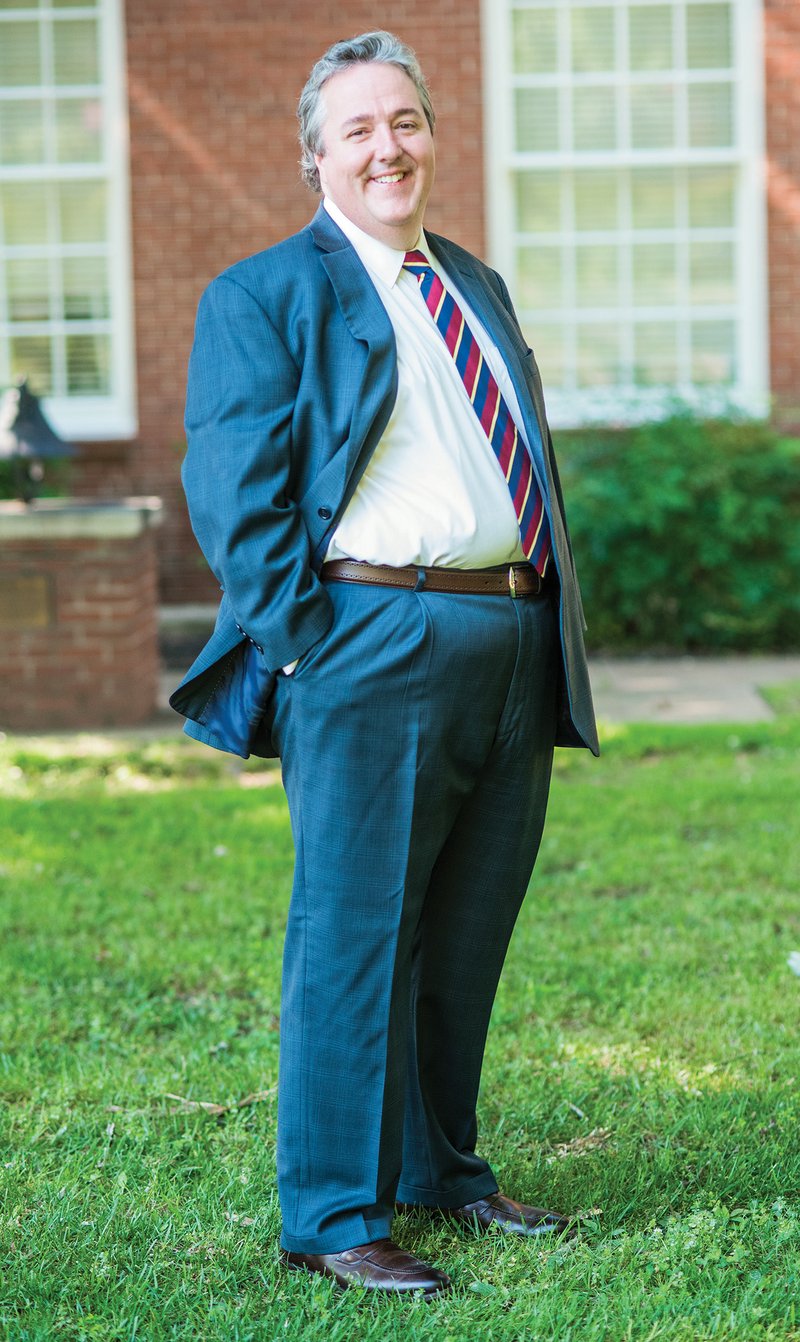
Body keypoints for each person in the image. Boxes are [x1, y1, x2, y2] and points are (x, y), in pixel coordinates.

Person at [171, 30, 599, 1299]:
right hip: (371, 638)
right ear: (316, 159)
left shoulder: (471, 280)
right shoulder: (263, 294)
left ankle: (441, 1172)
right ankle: (332, 1212)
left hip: (509, 635)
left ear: (429, 137)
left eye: (402, 122)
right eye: (356, 129)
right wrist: (309, 645)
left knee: (465, 928)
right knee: (354, 935)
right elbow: (235, 495)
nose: (386, 147)